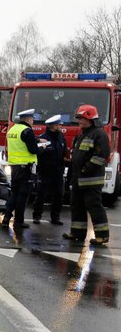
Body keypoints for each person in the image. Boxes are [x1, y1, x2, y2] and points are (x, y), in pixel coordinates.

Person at [64, 105, 110, 246]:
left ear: (89, 118)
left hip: (91, 179)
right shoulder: (81, 134)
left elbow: (101, 156)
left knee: (94, 206)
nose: (78, 121)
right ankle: (77, 233)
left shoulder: (99, 134)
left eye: (81, 118)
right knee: (76, 205)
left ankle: (102, 235)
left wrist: (85, 169)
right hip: (78, 179)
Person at [2, 108, 39, 229]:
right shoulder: (27, 131)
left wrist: (36, 140)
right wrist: (43, 148)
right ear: (28, 119)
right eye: (32, 119)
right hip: (26, 167)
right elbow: (33, 149)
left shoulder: (13, 129)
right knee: (23, 195)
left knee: (15, 193)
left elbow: (21, 144)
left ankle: (7, 217)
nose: (33, 121)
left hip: (14, 166)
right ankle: (18, 221)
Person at [32, 114, 67, 225]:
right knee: (41, 195)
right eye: (59, 125)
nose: (61, 126)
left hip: (58, 172)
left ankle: (55, 217)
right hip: (46, 171)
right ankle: (37, 216)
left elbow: (64, 150)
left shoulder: (61, 137)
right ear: (54, 126)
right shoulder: (44, 138)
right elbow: (39, 154)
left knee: (58, 195)